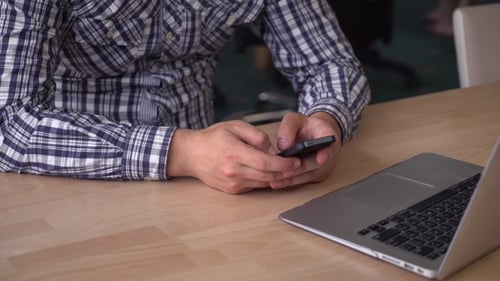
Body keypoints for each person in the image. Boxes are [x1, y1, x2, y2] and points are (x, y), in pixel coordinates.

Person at [0, 0, 370, 194]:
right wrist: (181, 151)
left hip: (213, 187)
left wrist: (329, 116)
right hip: (65, 178)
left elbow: (329, 61)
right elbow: (9, 122)